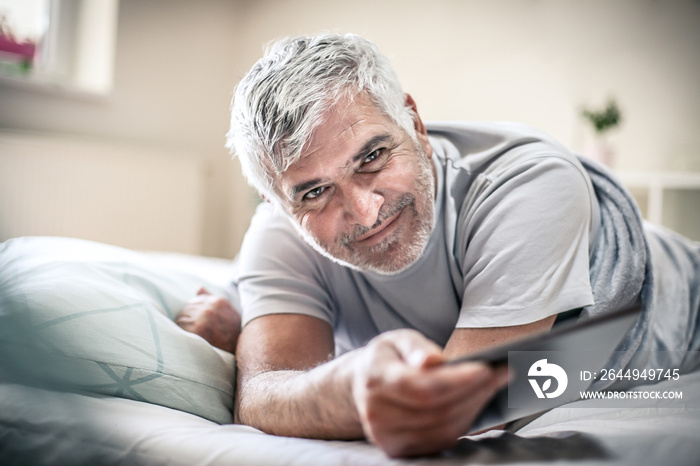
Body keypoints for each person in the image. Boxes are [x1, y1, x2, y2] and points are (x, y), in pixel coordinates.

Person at [181, 33, 700, 458]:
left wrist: (321, 378)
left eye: (374, 157)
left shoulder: (528, 183)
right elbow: (264, 394)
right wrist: (333, 376)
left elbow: (461, 407)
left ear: (415, 122)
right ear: (277, 202)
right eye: (315, 192)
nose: (365, 212)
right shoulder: (279, 231)